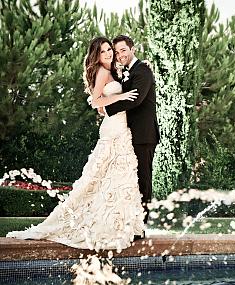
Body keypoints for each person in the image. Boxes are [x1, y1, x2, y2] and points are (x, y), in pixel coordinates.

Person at [6, 37, 145, 252]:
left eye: (110, 50)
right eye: (103, 51)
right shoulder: (102, 72)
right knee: (102, 176)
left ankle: (118, 223)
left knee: (118, 178)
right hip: (113, 130)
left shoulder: (115, 71)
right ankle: (103, 222)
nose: (108, 54)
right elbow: (95, 101)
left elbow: (102, 106)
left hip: (121, 129)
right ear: (96, 56)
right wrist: (123, 96)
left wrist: (118, 97)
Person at [105, 35, 160, 228]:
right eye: (117, 52)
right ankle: (130, 222)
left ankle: (141, 226)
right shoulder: (130, 71)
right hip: (130, 135)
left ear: (132, 49)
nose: (120, 55)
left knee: (143, 181)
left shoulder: (143, 70)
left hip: (144, 136)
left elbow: (135, 99)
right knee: (132, 180)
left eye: (123, 50)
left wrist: (108, 110)